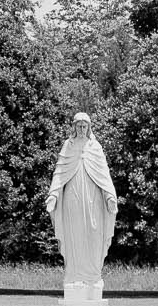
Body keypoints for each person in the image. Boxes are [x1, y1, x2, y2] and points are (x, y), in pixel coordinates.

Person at [45, 113, 117, 295]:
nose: (82, 129)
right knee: (74, 234)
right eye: (79, 126)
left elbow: (103, 174)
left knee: (93, 232)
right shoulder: (68, 146)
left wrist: (109, 196)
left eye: (85, 126)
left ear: (89, 127)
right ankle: (74, 276)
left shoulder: (95, 147)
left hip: (93, 198)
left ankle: (93, 277)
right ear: (74, 127)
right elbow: (60, 171)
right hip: (72, 197)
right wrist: (53, 194)